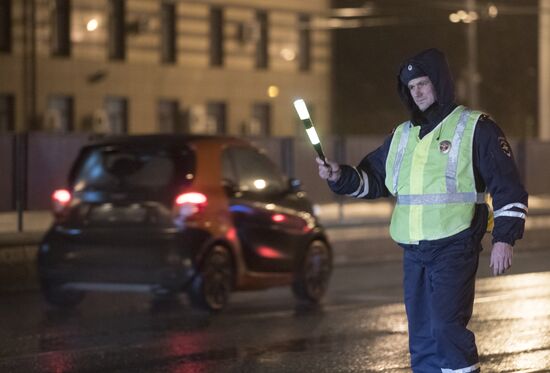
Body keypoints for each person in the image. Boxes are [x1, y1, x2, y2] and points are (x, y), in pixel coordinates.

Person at [317, 48, 528, 372]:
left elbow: (506, 184)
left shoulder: (476, 127)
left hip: (454, 245)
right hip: (413, 250)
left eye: (423, 84)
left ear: (440, 83)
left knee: (446, 329)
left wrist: (505, 238)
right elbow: (373, 180)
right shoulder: (402, 136)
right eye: (411, 87)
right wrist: (339, 175)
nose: (416, 92)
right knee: (423, 338)